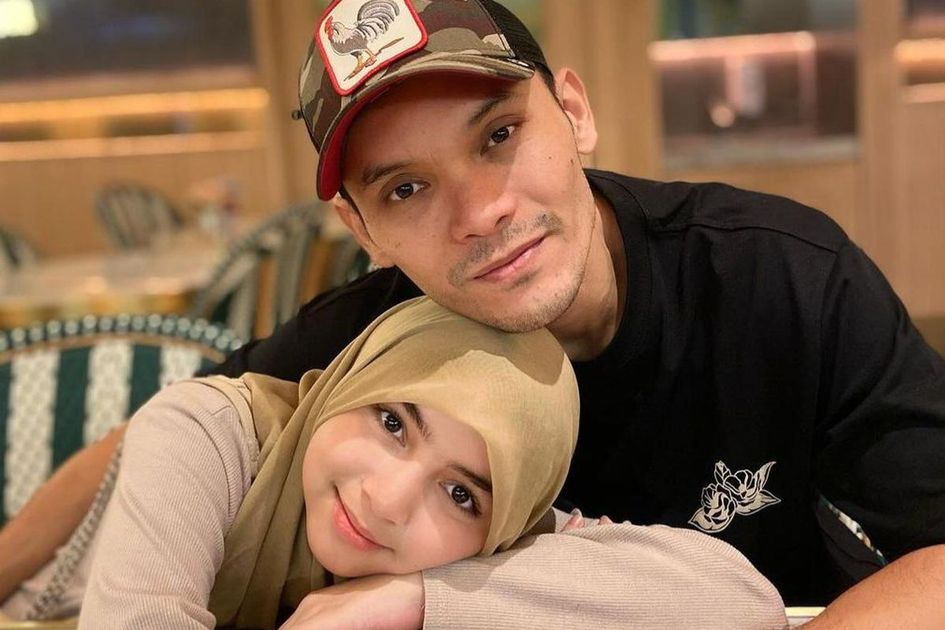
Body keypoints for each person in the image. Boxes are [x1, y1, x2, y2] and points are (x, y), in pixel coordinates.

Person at [2, 0, 944, 626]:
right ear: (363, 230)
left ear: (573, 112)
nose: (481, 213)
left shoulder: (777, 275)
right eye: (406, 189)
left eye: (498, 135)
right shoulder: (376, 348)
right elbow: (171, 435)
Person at [0, 297, 784, 629]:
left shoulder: (494, 538)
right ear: (353, 378)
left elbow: (740, 605)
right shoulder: (205, 433)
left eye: (460, 494)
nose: (386, 499)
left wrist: (412, 599)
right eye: (391, 422)